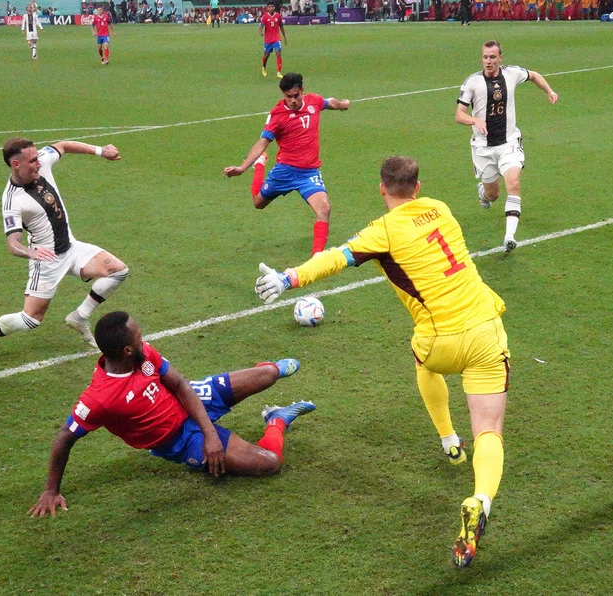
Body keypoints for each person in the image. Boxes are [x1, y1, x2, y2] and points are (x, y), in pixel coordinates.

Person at [253, 156, 510, 569]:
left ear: (382, 189)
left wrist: (290, 277)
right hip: (486, 331)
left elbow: (337, 257)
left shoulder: (382, 231)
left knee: (424, 361)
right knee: (489, 430)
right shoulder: (440, 208)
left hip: (439, 340)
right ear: (418, 186)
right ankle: (481, 500)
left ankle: (448, 440)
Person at [28, 311, 315, 516]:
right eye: (139, 336)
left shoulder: (143, 354)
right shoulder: (99, 398)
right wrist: (51, 490)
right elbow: (65, 437)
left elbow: (179, 384)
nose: (144, 339)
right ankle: (276, 419)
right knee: (269, 464)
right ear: (126, 350)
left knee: (268, 374)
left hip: (192, 398)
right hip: (179, 439)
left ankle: (267, 369)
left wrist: (211, 433)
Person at [0, 138, 129, 370]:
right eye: (32, 161)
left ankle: (80, 316)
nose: (38, 163)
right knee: (31, 319)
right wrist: (31, 252)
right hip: (46, 261)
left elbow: (64, 145)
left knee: (118, 270)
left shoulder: (42, 161)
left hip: (71, 247)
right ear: (16, 164)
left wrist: (101, 151)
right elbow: (13, 243)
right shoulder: (12, 201)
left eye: (37, 158)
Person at [224, 73, 350, 257]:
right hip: (284, 171)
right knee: (258, 203)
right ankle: (259, 165)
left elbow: (329, 102)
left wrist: (343, 105)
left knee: (324, 209)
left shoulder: (313, 101)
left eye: (296, 95)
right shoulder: (277, 115)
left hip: (309, 173)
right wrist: (242, 168)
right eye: (288, 96)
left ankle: (317, 258)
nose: (292, 100)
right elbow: (263, 142)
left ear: (302, 91)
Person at [455, 40, 558, 253]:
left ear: (500, 58)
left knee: (514, 183)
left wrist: (549, 90)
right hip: (483, 148)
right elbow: (459, 115)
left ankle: (509, 237)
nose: (488, 61)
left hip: (508, 143)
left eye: (493, 57)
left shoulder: (512, 73)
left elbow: (534, 75)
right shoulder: (472, 82)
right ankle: (483, 193)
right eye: (485, 57)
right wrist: (474, 120)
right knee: (493, 195)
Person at [259, 2, 286, 78]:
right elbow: (261, 26)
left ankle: (279, 72)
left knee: (278, 53)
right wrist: (261, 32)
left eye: (272, 6)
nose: (270, 8)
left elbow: (281, 26)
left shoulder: (278, 16)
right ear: (267, 8)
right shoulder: (265, 17)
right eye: (269, 7)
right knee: (266, 55)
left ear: (274, 7)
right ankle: (264, 67)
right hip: (268, 39)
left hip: (276, 38)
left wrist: (284, 37)